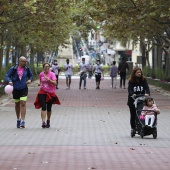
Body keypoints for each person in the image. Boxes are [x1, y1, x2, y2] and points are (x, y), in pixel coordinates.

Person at [5, 56, 33, 128]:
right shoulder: (13, 69)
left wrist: (30, 79)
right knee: (17, 104)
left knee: (23, 103)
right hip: (15, 88)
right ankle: (18, 119)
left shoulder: (27, 68)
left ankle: (23, 121)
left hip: (23, 88)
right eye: (24, 61)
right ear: (19, 61)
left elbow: (31, 75)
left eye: (26, 61)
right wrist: (9, 81)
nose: (25, 63)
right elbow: (7, 75)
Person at [34, 63, 61, 128]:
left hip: (50, 92)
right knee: (43, 107)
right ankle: (43, 122)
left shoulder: (52, 74)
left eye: (48, 67)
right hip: (42, 91)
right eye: (45, 67)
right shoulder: (41, 74)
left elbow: (55, 83)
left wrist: (49, 80)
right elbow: (40, 81)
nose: (47, 68)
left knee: (49, 108)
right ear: (43, 68)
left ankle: (48, 120)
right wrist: (38, 83)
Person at [127, 67, 150, 134]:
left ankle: (142, 126)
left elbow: (147, 88)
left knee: (142, 113)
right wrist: (132, 94)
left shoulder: (143, 80)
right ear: (134, 74)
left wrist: (147, 93)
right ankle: (133, 128)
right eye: (137, 73)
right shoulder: (131, 81)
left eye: (140, 72)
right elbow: (129, 89)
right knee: (133, 114)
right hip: (133, 101)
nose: (139, 74)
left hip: (141, 100)